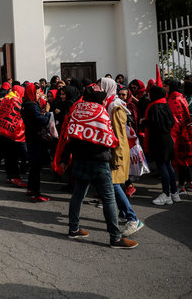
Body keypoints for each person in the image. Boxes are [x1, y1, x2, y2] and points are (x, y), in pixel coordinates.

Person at [56, 84, 137, 249]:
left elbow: (70, 136)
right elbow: (109, 138)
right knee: (108, 198)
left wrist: (65, 159)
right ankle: (115, 238)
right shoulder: (101, 112)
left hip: (79, 159)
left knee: (78, 196)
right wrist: (114, 156)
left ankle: (73, 229)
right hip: (99, 161)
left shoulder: (77, 109)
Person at [99, 78, 144, 237]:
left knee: (114, 184)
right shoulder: (110, 103)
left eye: (100, 87)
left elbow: (119, 133)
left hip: (117, 151)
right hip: (114, 150)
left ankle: (133, 218)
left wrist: (117, 157)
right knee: (113, 184)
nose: (98, 89)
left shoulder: (115, 106)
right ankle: (125, 214)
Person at [144, 86, 179, 205]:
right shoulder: (165, 105)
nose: (147, 95)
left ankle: (166, 194)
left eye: (149, 93)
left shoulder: (154, 107)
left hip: (158, 140)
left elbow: (154, 125)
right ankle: (174, 193)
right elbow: (172, 122)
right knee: (169, 166)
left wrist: (144, 122)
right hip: (168, 139)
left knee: (162, 166)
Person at [165, 80, 192, 193]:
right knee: (184, 160)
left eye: (166, 85)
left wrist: (172, 137)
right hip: (186, 132)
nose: (165, 87)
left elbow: (174, 119)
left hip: (179, 134)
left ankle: (181, 186)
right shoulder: (181, 97)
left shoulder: (174, 99)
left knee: (181, 160)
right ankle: (190, 183)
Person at [0, 85, 27, 188]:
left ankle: (9, 176)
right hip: (10, 132)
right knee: (13, 156)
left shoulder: (6, 99)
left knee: (8, 156)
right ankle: (15, 177)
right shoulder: (15, 101)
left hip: (1, 131)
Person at [21, 83, 50, 202]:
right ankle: (35, 193)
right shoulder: (31, 106)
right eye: (38, 93)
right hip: (36, 138)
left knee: (33, 165)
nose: (39, 95)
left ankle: (30, 188)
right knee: (36, 166)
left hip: (30, 136)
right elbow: (42, 120)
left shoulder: (26, 104)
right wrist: (47, 112)